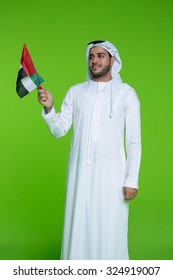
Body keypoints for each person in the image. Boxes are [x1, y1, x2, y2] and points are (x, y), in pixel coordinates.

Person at [38, 40, 141, 260]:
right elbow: (59, 129)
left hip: (113, 177)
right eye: (91, 56)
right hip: (79, 176)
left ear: (112, 60)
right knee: (78, 225)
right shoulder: (76, 92)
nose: (94, 60)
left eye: (100, 56)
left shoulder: (126, 94)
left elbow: (134, 141)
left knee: (110, 228)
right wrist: (49, 107)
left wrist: (131, 179)